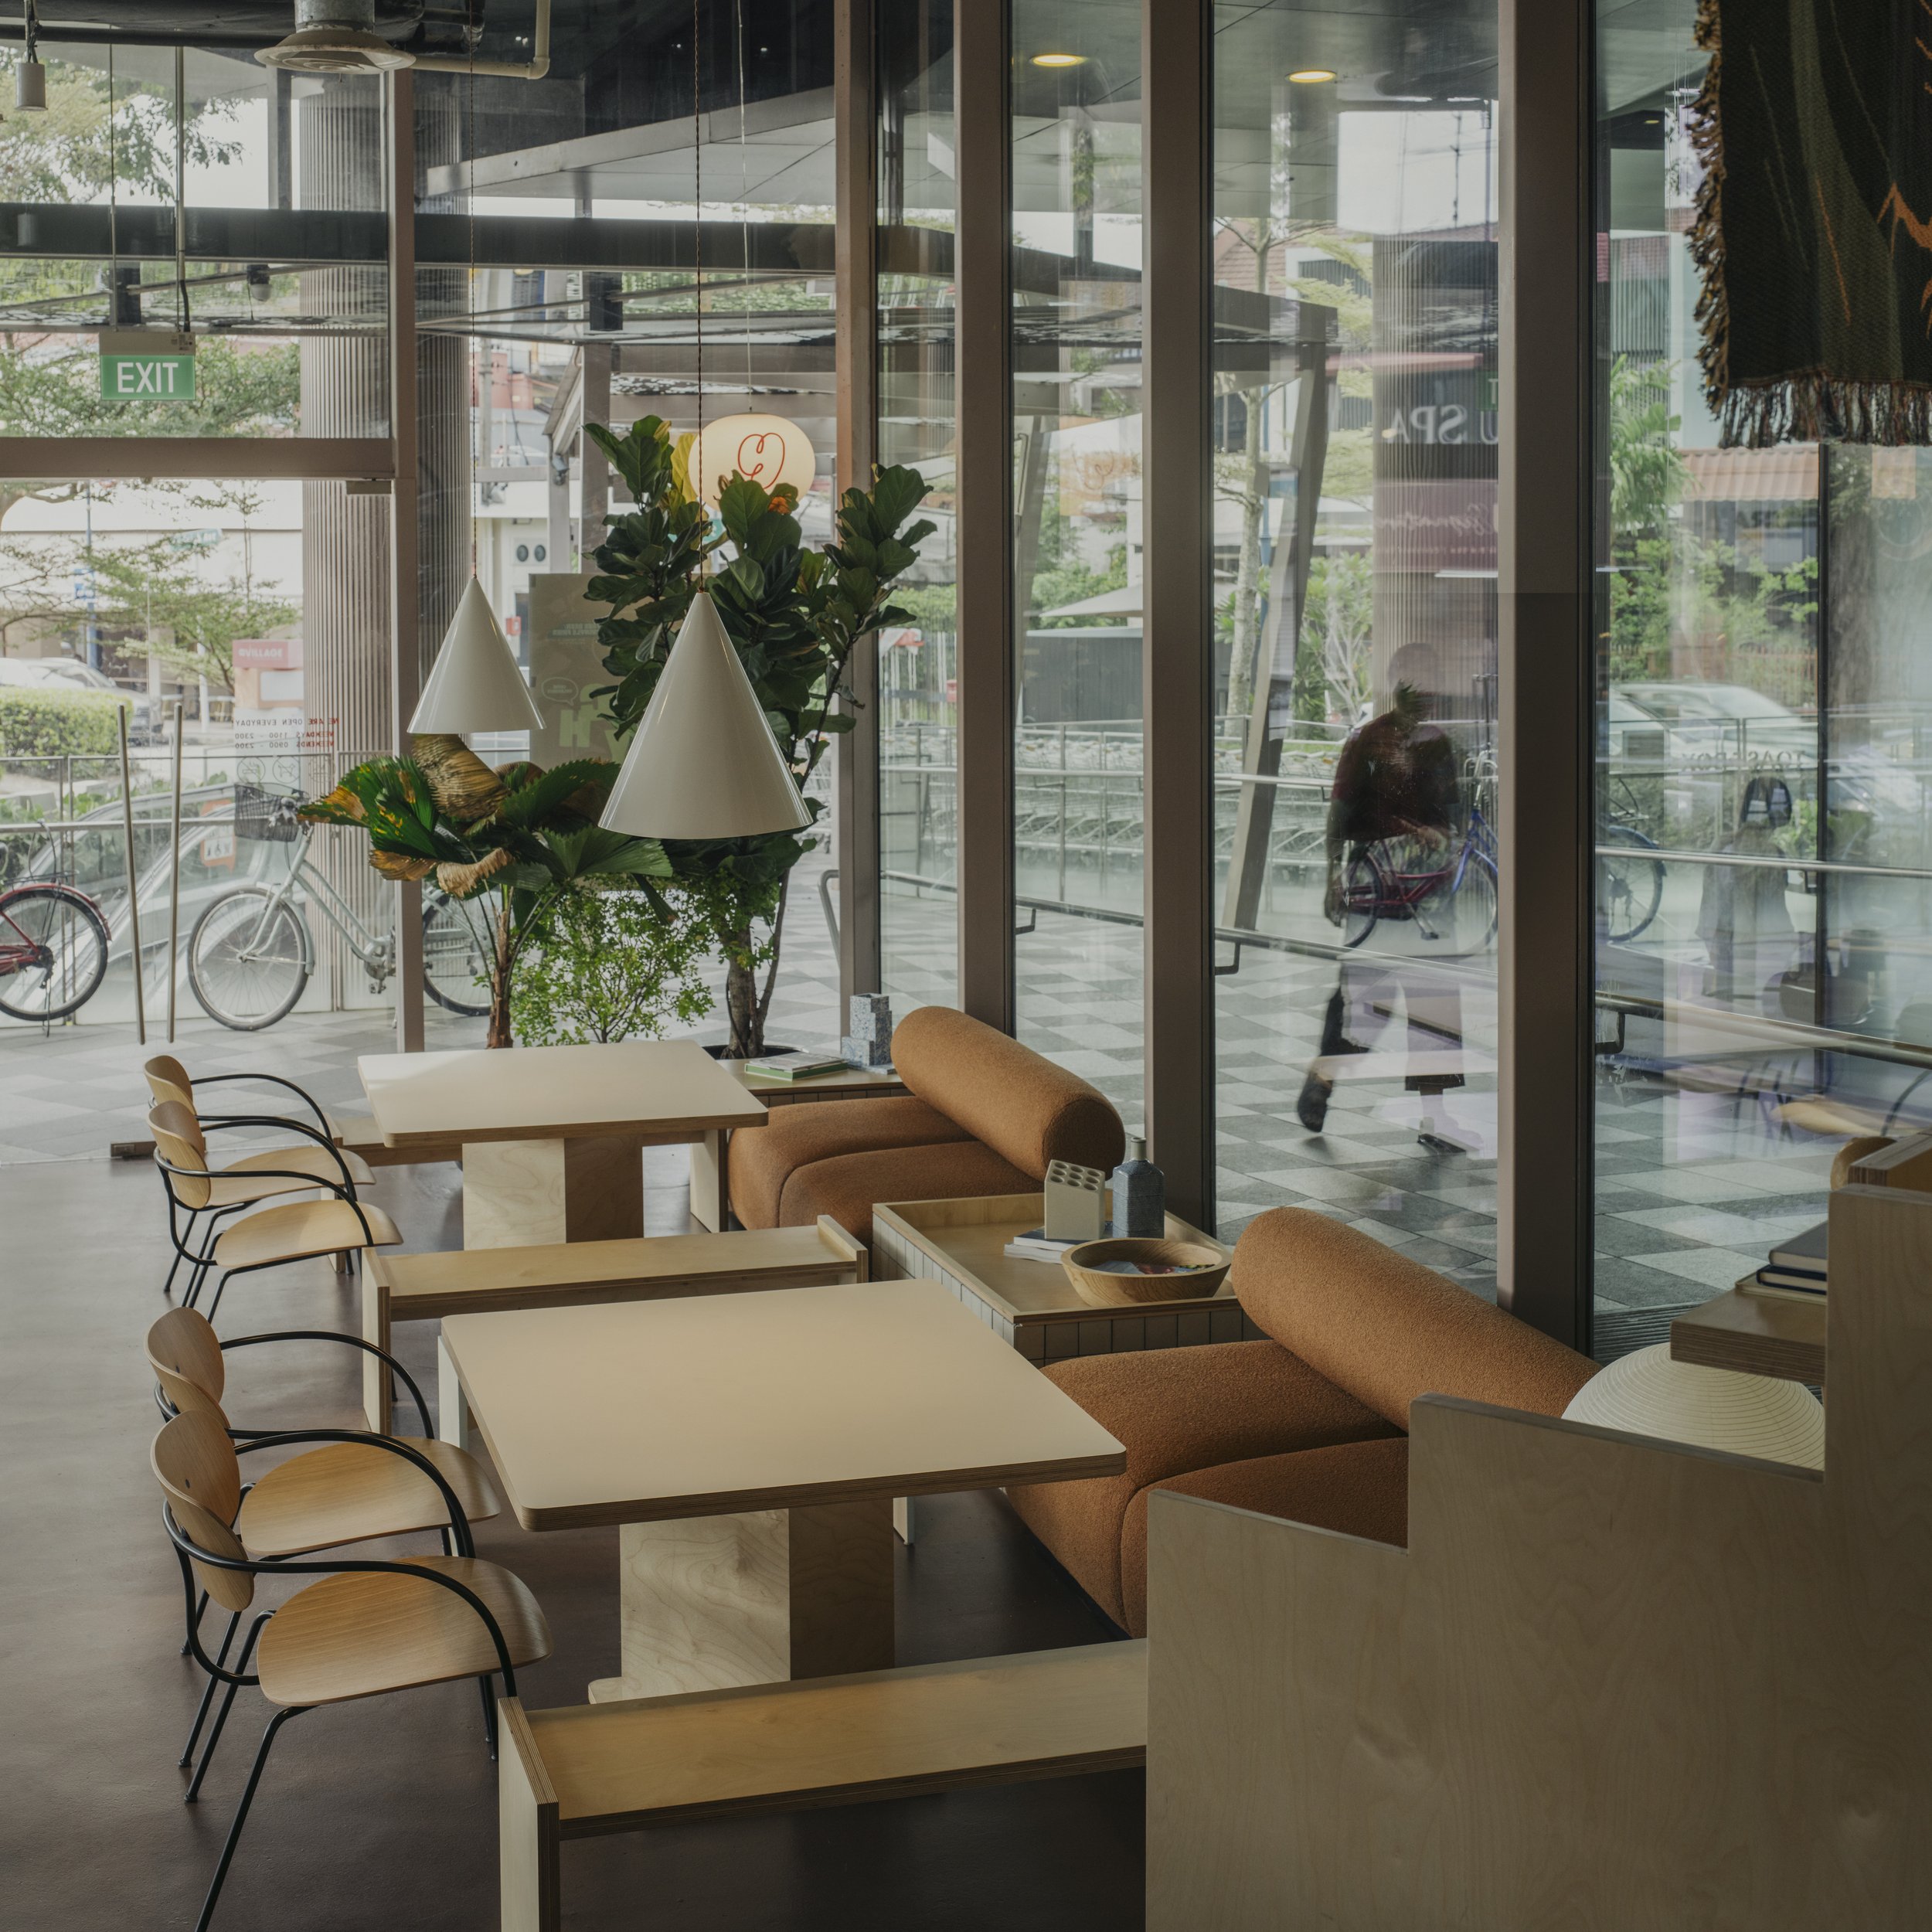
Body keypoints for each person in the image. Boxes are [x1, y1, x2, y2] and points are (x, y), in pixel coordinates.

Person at [1297, 641, 1468, 1138]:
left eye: (1433, 683)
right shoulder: (1369, 741)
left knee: (1432, 1001)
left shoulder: (1435, 743)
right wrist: (1333, 876)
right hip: (1381, 888)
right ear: (1398, 686)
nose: (1428, 693)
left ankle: (1433, 1113)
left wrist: (1442, 840)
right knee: (1366, 996)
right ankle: (1323, 1081)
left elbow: (1451, 813)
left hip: (1427, 889)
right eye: (1419, 683)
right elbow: (1342, 812)